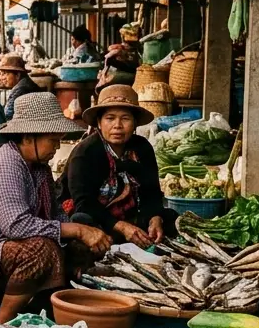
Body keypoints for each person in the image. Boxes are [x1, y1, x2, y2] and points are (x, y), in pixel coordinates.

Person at [0, 95, 111, 324]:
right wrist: (77, 231)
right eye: (53, 140)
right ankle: (0, 327)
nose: (57, 147)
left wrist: (80, 237)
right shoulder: (5, 164)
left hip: (1, 251)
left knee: (75, 245)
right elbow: (17, 226)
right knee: (41, 252)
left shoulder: (38, 168)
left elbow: (55, 214)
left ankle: (43, 313)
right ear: (29, 137)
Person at [63, 86, 175, 246]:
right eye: (110, 118)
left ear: (135, 123)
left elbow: (152, 192)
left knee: (170, 218)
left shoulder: (142, 148)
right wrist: (122, 227)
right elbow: (84, 203)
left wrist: (155, 218)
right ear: (99, 123)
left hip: (127, 215)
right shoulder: (85, 153)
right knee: (82, 220)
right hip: (97, 218)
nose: (118, 125)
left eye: (125, 118)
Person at [0, 55, 42, 119]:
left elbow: (8, 115)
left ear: (17, 75)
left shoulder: (21, 89)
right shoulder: (25, 84)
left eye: (5, 73)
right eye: (1, 74)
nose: (1, 78)